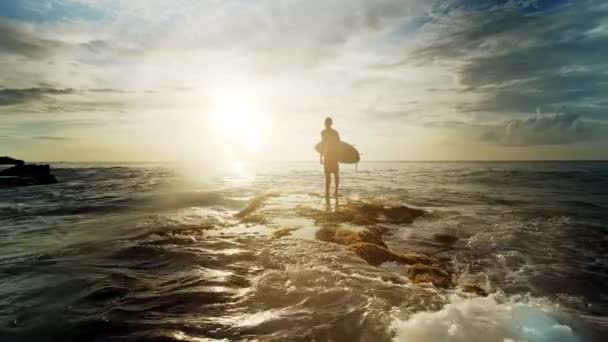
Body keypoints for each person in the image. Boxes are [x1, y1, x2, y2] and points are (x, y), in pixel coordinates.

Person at [320, 117, 340, 198]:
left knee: (335, 173)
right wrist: (321, 156)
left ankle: (335, 192)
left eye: (328, 123)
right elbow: (322, 144)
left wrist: (339, 156)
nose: (327, 124)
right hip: (327, 154)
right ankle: (327, 192)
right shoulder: (323, 132)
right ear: (325, 123)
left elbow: (338, 144)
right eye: (326, 123)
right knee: (327, 174)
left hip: (333, 154)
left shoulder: (335, 132)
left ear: (331, 123)